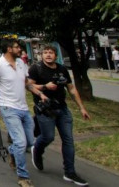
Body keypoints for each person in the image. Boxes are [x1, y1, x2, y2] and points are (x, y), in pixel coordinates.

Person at [0, 36, 47, 187]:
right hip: (8, 108)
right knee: (20, 141)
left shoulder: (21, 63)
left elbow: (27, 84)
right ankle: (23, 177)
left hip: (23, 108)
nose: (20, 49)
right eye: (17, 47)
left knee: (30, 142)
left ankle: (12, 151)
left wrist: (40, 94)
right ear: (8, 49)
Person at [28, 45, 90, 186]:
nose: (48, 55)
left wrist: (82, 108)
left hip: (62, 109)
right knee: (48, 137)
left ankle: (70, 172)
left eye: (51, 53)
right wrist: (45, 86)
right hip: (45, 110)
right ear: (41, 55)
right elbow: (29, 85)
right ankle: (37, 149)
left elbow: (71, 89)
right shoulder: (36, 69)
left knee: (68, 140)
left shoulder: (62, 69)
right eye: (45, 52)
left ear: (56, 55)